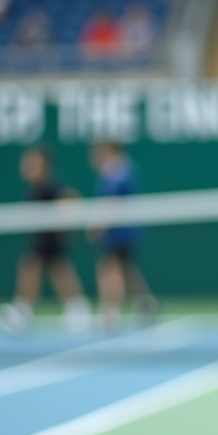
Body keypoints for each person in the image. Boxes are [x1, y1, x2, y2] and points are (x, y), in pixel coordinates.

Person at [0, 146, 90, 335]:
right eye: (27, 163)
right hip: (42, 239)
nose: (28, 167)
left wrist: (66, 223)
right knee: (50, 270)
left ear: (45, 165)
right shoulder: (35, 189)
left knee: (38, 268)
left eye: (33, 163)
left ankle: (27, 312)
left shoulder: (51, 187)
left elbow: (70, 197)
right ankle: (74, 311)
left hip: (51, 239)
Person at [89, 141, 155, 330]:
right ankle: (146, 304)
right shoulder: (125, 167)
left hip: (119, 231)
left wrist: (98, 224)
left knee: (110, 268)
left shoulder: (116, 169)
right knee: (125, 269)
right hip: (126, 230)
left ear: (108, 150)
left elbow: (112, 202)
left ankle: (111, 314)